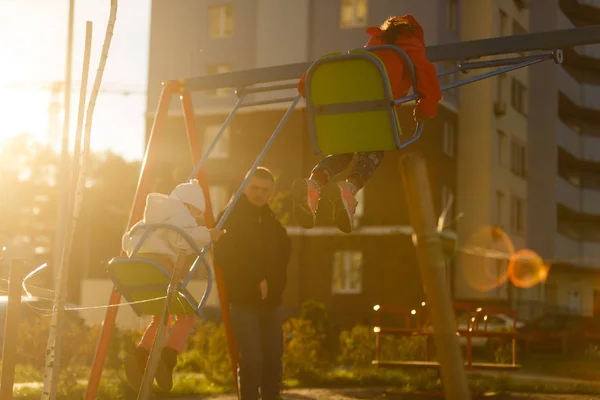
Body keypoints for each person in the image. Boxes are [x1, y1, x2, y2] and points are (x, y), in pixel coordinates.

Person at [293, 15, 443, 234]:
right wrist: (423, 111)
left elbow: (305, 85)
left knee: (342, 152)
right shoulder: (410, 49)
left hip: (344, 116)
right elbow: (427, 80)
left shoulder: (365, 53)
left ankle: (313, 184)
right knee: (373, 151)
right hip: (377, 115)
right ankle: (349, 188)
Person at [121, 179, 225, 391]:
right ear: (191, 206)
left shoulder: (148, 219)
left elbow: (126, 240)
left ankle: (140, 355)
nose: (195, 220)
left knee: (161, 317)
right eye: (197, 214)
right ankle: (167, 360)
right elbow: (182, 239)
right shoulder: (181, 215)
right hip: (160, 269)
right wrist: (208, 235)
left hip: (137, 271)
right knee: (187, 315)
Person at [213, 167, 291, 400]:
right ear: (245, 187)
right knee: (252, 362)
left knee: (272, 362)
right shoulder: (229, 217)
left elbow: (283, 258)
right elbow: (226, 256)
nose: (259, 194)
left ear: (272, 192)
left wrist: (273, 286)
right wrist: (256, 278)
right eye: (254, 188)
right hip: (243, 301)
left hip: (272, 302)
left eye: (264, 190)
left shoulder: (272, 222)